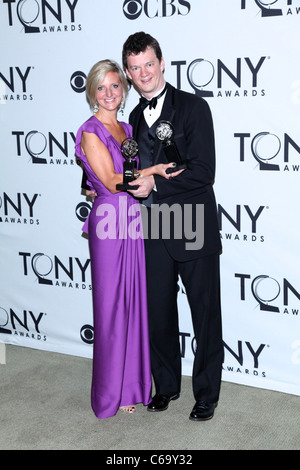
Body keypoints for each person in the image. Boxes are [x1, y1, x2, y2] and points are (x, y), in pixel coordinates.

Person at [122, 32, 224, 421]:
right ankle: (165, 385)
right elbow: (137, 172)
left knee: (205, 315)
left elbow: (204, 171)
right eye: (135, 68)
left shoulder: (194, 107)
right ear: (129, 74)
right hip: (153, 228)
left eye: (149, 64)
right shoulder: (132, 118)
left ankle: (206, 395)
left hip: (194, 223)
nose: (143, 72)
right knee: (159, 313)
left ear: (162, 63)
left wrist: (156, 184)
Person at [75, 59, 182, 419]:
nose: (109, 93)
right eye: (101, 88)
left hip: (134, 220)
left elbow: (101, 178)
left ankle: (130, 388)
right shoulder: (90, 130)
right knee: (110, 309)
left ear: (124, 90)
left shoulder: (125, 126)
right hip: (109, 222)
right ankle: (108, 393)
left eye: (115, 86)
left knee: (134, 305)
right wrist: (152, 171)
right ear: (92, 93)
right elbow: (108, 181)